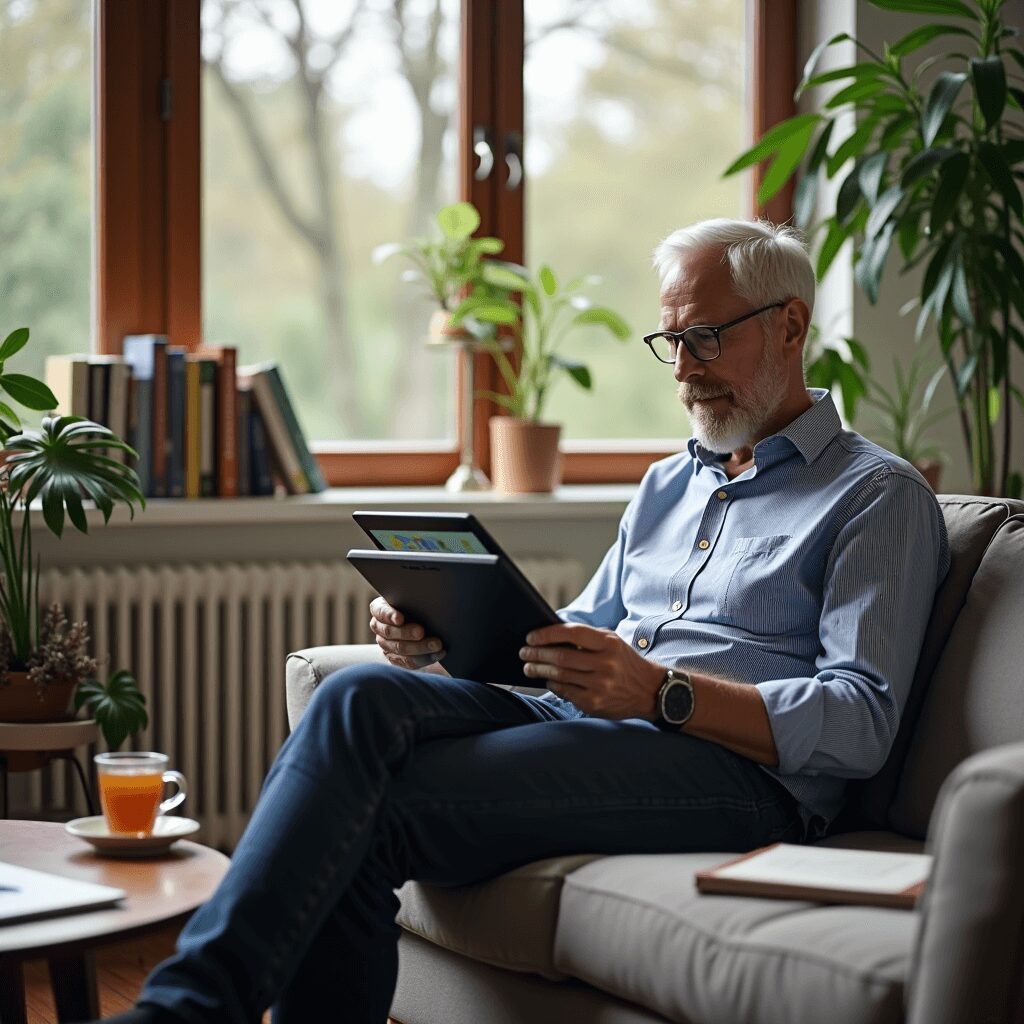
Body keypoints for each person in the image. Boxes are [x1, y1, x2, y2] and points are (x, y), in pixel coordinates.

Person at [86, 219, 950, 1024]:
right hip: (586, 722)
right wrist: (447, 633)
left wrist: (663, 693)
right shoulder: (667, 484)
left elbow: (863, 718)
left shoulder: (876, 496)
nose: (684, 369)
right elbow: (581, 628)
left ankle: (183, 1010)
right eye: (672, 342)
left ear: (792, 327)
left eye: (706, 338)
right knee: (357, 699)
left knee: (375, 813)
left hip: (738, 780)